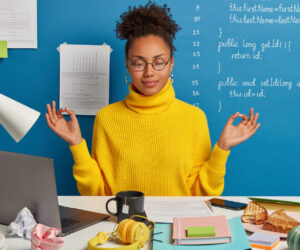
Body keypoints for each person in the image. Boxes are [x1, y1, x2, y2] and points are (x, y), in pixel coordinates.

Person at [46, 2, 260, 196]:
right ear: (128, 65)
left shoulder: (194, 118)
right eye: (139, 63)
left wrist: (222, 148)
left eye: (159, 62)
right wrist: (76, 144)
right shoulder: (107, 118)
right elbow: (96, 194)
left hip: (177, 229)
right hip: (122, 229)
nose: (149, 72)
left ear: (171, 64)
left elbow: (201, 195)